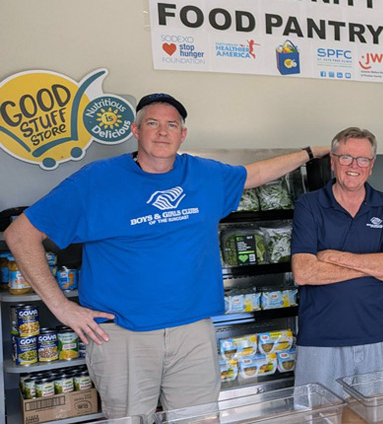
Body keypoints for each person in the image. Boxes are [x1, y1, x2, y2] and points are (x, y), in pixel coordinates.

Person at [4, 93, 330, 422]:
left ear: (182, 134)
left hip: (193, 330)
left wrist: (311, 153)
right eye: (153, 123)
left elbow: (254, 174)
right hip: (123, 334)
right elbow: (20, 234)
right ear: (136, 130)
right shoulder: (96, 180)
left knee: (200, 419)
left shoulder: (203, 174)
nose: (162, 132)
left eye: (172, 125)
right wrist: (61, 307)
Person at [291, 127, 383, 395]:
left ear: (371, 166)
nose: (354, 166)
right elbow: (304, 272)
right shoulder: (308, 205)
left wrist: (332, 257)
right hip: (320, 339)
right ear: (332, 161)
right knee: (318, 414)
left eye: (363, 159)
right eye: (346, 158)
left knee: (378, 414)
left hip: (378, 337)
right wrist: (373, 268)